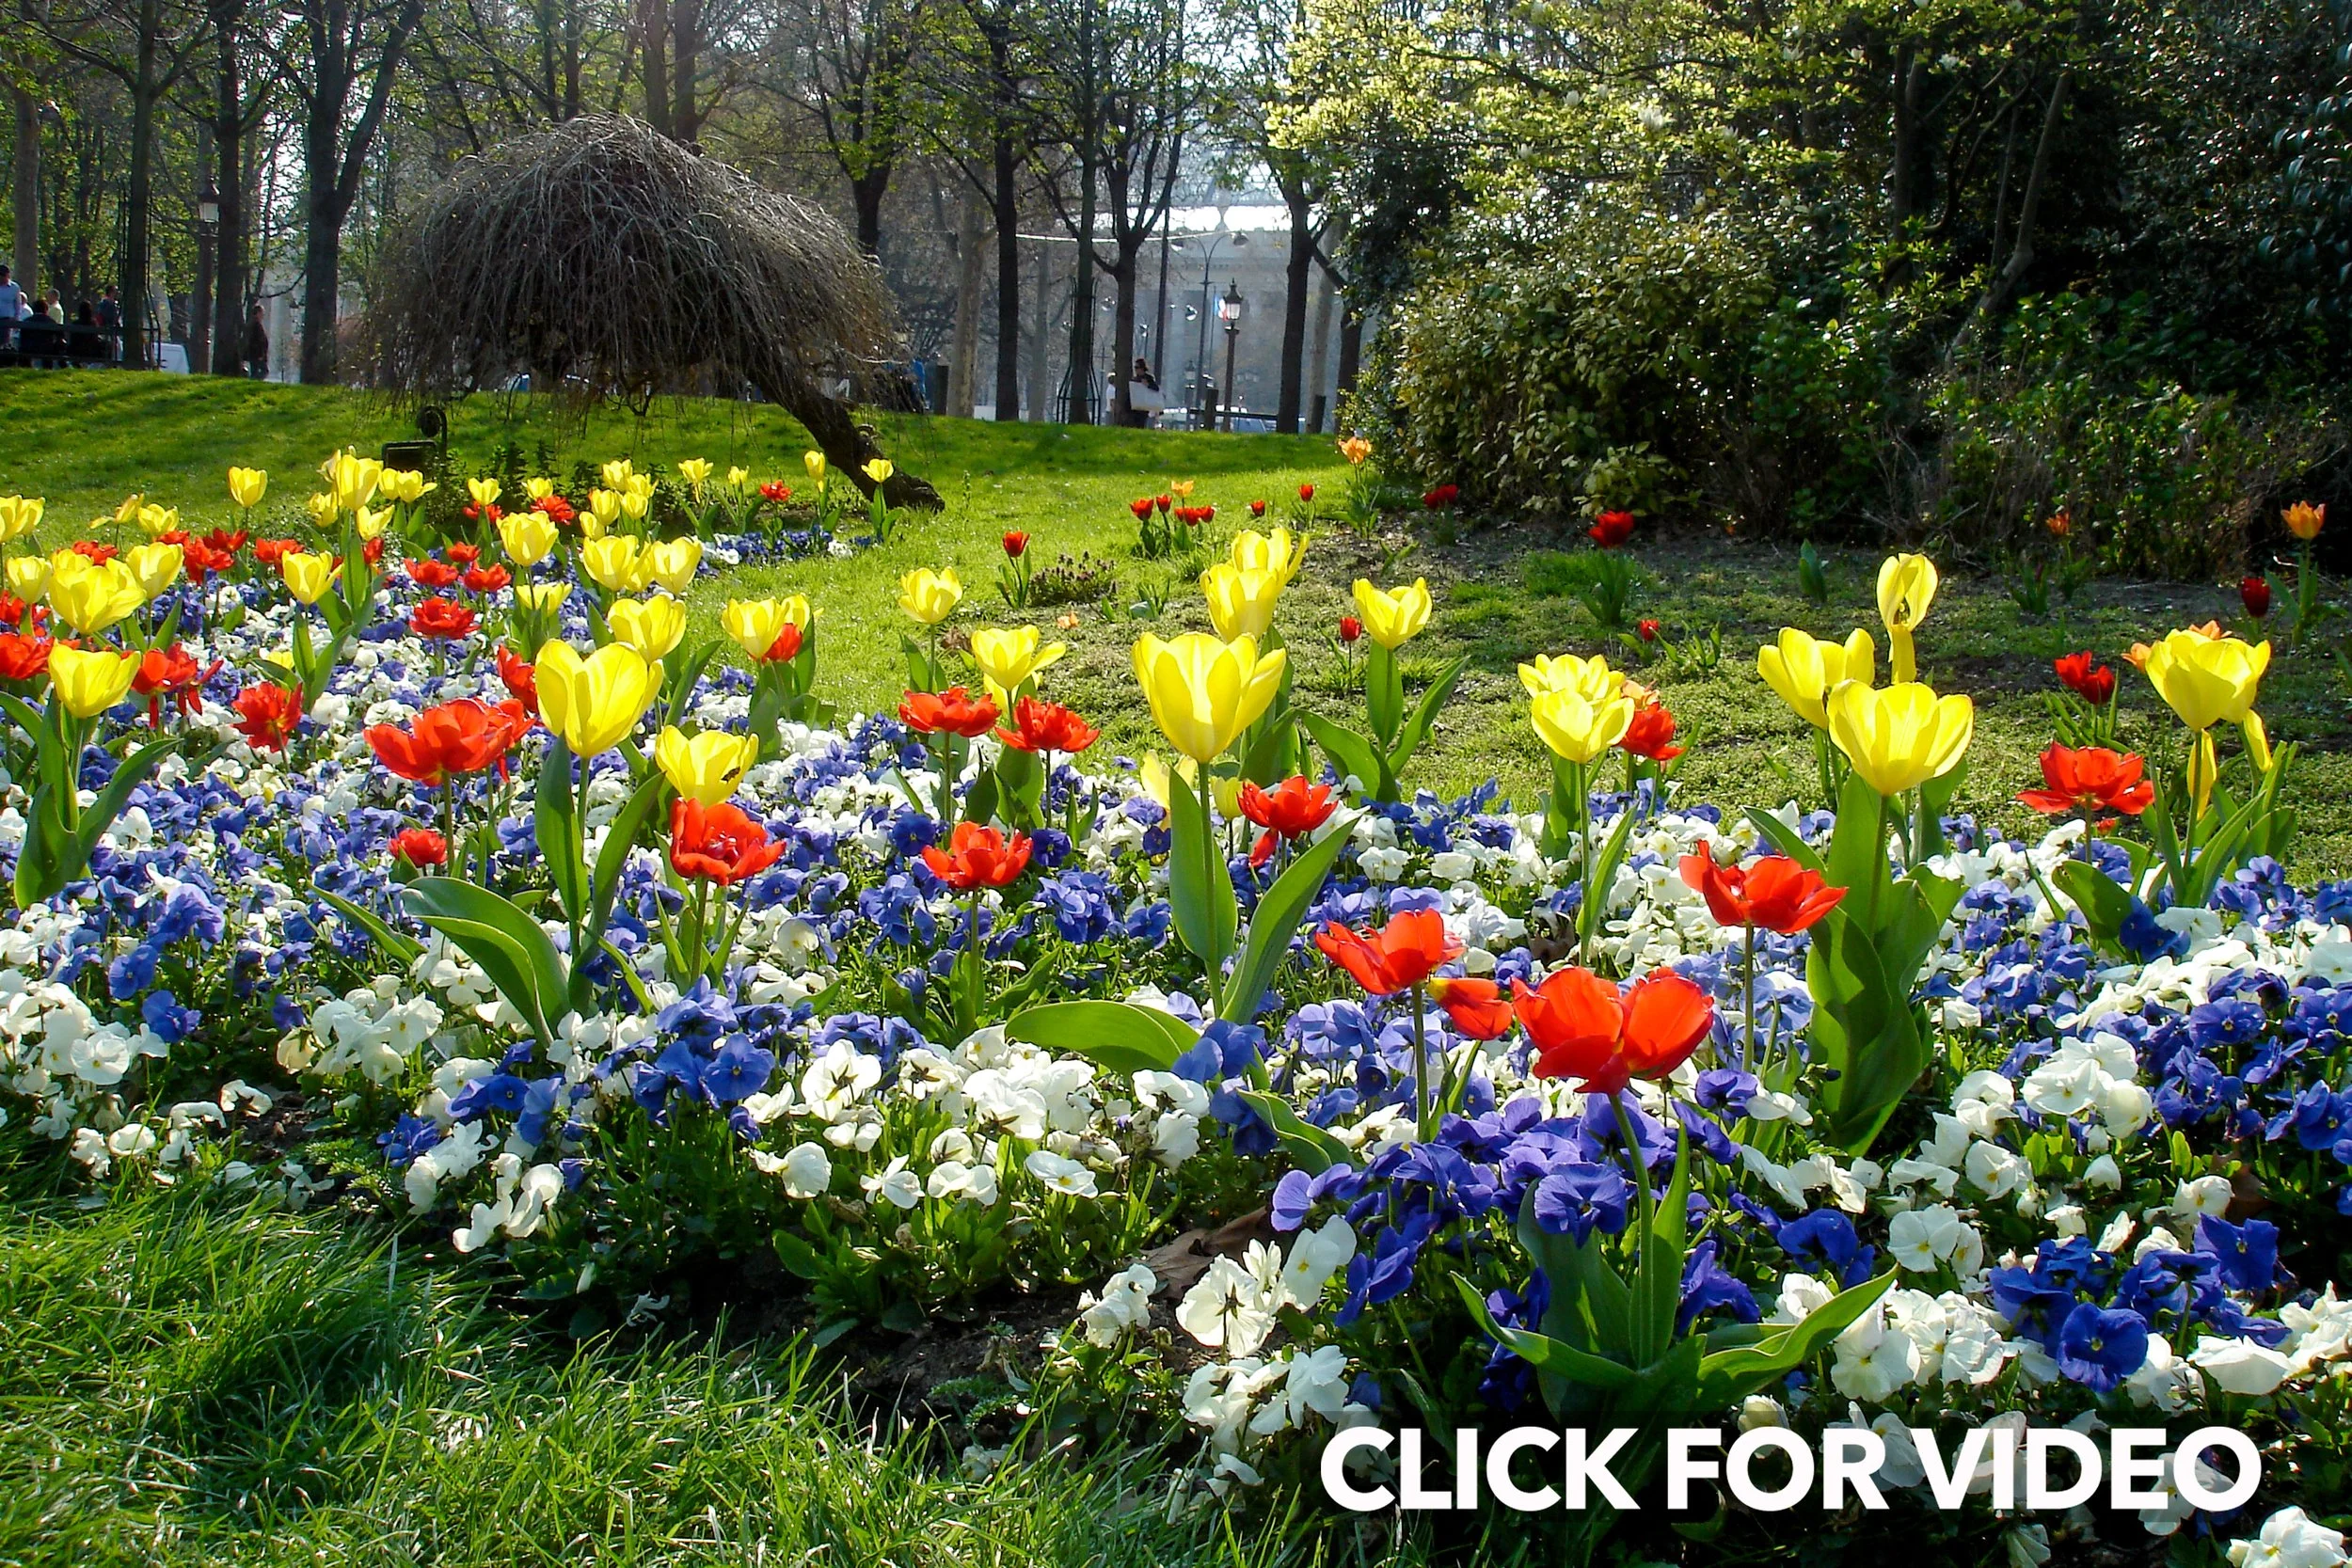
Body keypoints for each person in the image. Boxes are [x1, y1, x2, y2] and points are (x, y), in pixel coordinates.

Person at [241, 302, 268, 379]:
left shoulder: (254, 324)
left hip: (255, 353)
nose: (263, 315)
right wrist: (260, 354)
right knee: (263, 371)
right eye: (262, 313)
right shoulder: (256, 325)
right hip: (256, 354)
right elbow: (257, 340)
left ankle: (253, 380)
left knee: (255, 371)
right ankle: (254, 380)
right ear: (258, 313)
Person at [0, 266, 19, 350]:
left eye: (3, 276)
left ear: (8, 275)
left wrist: (16, 319)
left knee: (4, 343)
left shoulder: (14, 288)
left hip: (6, 320)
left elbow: (17, 305)